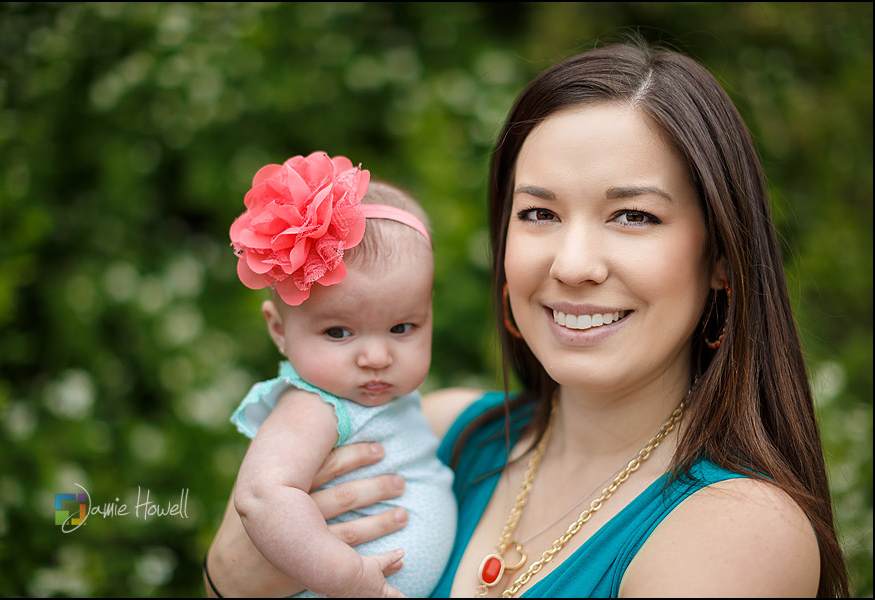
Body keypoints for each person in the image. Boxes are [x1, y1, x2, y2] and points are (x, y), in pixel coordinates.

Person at [204, 39, 850, 598]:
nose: (572, 265)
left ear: (721, 257)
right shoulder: (437, 435)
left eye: (633, 216)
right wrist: (228, 580)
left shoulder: (739, 533)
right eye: (539, 214)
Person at [217, 151, 457, 598]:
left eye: (402, 327)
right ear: (278, 330)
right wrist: (345, 578)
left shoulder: (381, 397)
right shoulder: (315, 407)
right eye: (339, 332)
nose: (376, 356)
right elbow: (263, 496)